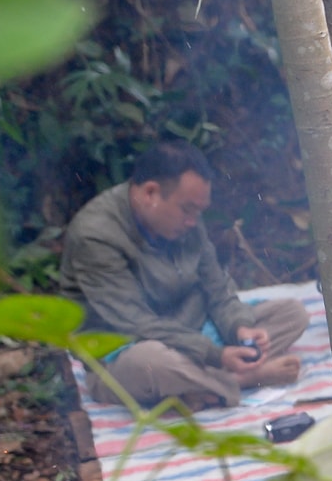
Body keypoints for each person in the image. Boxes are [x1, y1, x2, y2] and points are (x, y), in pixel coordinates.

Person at [62, 142, 306, 411]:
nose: (193, 221)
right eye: (187, 210)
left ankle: (199, 388)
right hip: (126, 353)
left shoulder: (186, 218)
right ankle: (244, 380)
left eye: (198, 212)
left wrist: (240, 327)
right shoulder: (95, 236)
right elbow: (136, 324)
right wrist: (216, 356)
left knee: (292, 313)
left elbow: (218, 287)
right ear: (150, 193)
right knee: (152, 362)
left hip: (192, 332)